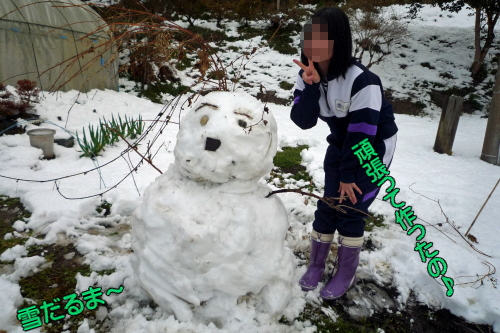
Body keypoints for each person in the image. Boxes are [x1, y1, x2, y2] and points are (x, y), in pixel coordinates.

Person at [290, 7, 398, 300]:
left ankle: (346, 272)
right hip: (341, 141)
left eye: (323, 37)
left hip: (373, 145)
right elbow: (303, 120)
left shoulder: (363, 81)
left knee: (350, 207)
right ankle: (315, 264)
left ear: (339, 40)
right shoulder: (306, 73)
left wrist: (349, 175)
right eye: (310, 35)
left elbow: (362, 132)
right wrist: (310, 86)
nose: (314, 43)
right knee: (329, 203)